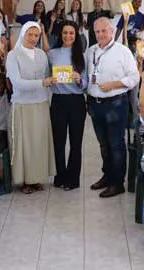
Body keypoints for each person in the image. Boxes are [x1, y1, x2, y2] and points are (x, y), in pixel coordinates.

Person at [87, 17, 139, 198]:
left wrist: (114, 84)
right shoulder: (91, 51)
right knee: (103, 144)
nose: (101, 35)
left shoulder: (122, 51)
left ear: (112, 31)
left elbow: (134, 78)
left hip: (115, 103)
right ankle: (107, 176)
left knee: (116, 145)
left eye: (104, 31)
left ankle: (117, 183)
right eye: (97, 32)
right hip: (95, 104)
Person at [6, 21, 56, 194]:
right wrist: (43, 82)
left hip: (41, 104)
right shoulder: (13, 55)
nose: (33, 39)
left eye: (37, 35)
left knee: (38, 142)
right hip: (22, 105)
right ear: (23, 35)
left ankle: (37, 178)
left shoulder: (42, 54)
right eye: (30, 35)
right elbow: (17, 83)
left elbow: (48, 76)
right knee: (24, 144)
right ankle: (24, 180)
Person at [48, 21, 88, 190]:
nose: (68, 36)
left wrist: (80, 80)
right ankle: (60, 176)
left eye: (71, 33)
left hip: (77, 101)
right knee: (58, 141)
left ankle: (73, 179)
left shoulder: (82, 55)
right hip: (58, 100)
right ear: (60, 34)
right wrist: (51, 81)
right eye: (65, 33)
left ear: (76, 35)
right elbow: (46, 78)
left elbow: (86, 83)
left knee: (75, 141)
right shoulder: (51, 54)